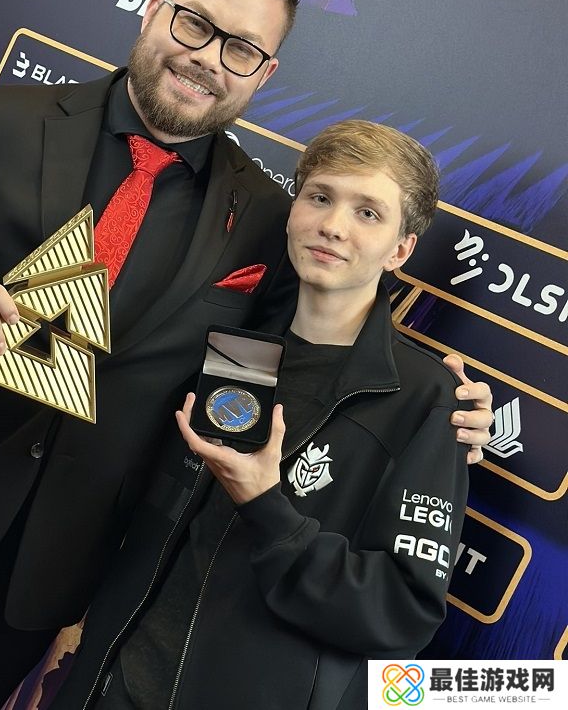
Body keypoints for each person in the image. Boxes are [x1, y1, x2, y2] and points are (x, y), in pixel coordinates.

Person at [0, 0, 490, 710]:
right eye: (196, 24)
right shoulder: (0, 118)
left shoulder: (265, 220)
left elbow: (312, 346)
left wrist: (429, 400)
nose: (209, 59)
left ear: (264, 71)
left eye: (241, 48)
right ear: (153, 9)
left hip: (26, 596)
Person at [50, 121, 472, 710]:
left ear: (400, 250)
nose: (333, 225)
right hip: (108, 684)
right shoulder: (228, 340)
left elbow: (400, 614)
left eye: (368, 213)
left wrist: (267, 507)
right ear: (293, 210)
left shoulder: (426, 400)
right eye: (319, 197)